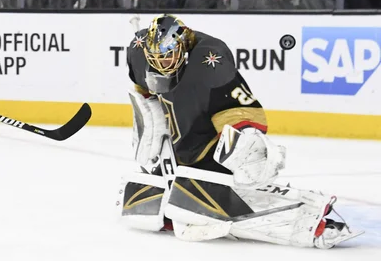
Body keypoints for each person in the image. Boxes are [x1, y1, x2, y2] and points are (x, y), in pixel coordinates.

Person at [116, 14, 360, 249]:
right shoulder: (138, 53)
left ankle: (308, 215)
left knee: (196, 205)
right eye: (157, 57)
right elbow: (144, 91)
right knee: (158, 209)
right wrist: (152, 125)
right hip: (178, 146)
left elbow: (242, 112)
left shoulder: (210, 60)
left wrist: (244, 149)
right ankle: (187, 198)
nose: (163, 64)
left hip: (208, 144)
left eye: (169, 56)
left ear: (183, 47)